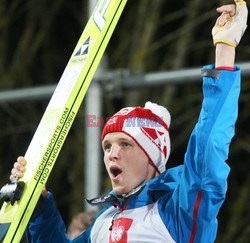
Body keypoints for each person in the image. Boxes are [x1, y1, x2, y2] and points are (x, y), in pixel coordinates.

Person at [10, 1, 248, 242]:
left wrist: (225, 49)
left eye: (125, 144)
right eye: (107, 146)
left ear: (152, 157)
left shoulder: (177, 214)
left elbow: (208, 147)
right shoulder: (102, 224)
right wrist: (39, 206)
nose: (112, 153)